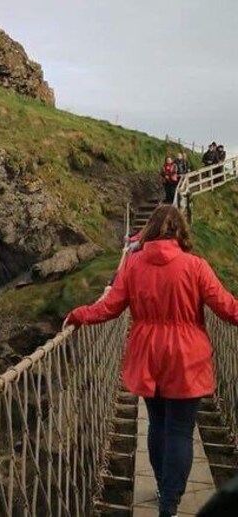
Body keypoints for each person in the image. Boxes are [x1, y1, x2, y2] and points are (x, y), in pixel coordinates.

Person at [66, 206, 238, 517]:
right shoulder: (196, 266)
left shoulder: (132, 265)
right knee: (180, 431)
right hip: (186, 357)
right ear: (180, 232)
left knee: (158, 424)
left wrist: (80, 314)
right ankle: (169, 503)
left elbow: (110, 308)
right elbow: (228, 308)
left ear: (148, 231)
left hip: (147, 355)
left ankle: (163, 488)